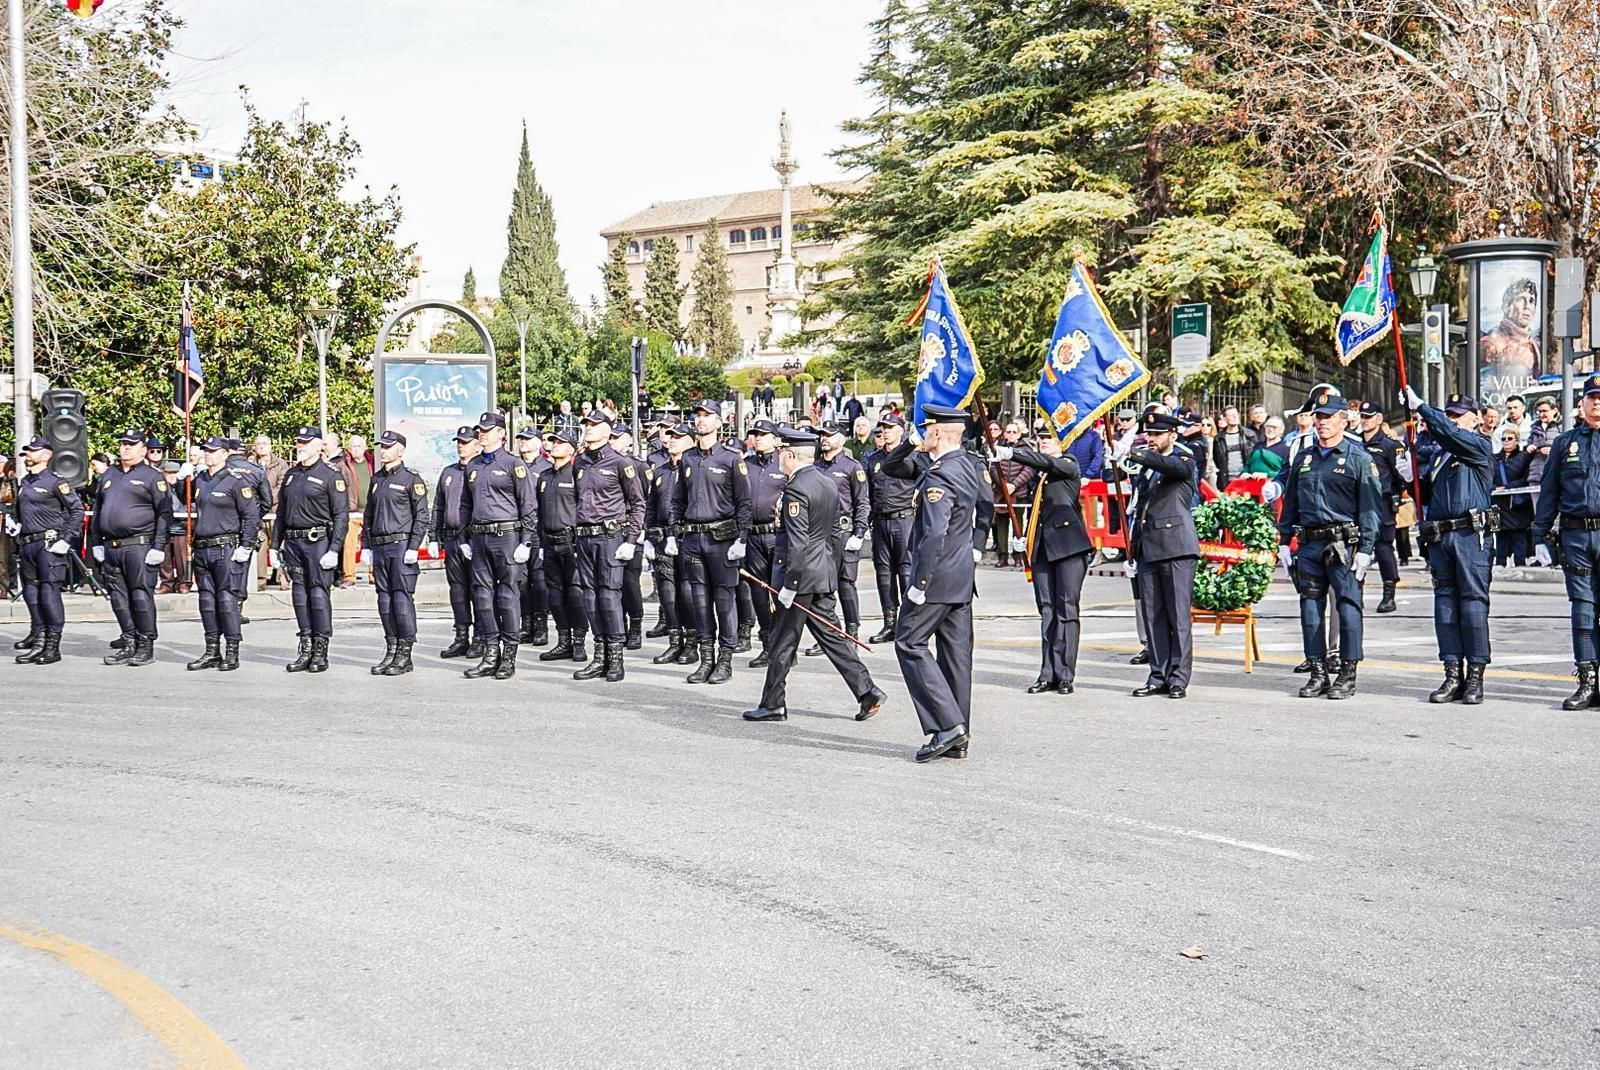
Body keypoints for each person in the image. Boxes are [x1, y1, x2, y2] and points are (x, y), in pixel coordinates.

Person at [742, 426, 887, 724]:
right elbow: (833, 534)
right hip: (820, 572)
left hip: (800, 576)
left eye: (783, 452)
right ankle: (867, 690)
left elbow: (797, 541)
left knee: (782, 641)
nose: (780, 457)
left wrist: (790, 584)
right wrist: (828, 571)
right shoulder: (825, 483)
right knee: (832, 636)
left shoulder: (796, 487)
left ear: (791, 455)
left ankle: (772, 704)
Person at [1277, 390, 1382, 700]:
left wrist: (1366, 549)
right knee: (1310, 608)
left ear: (1342, 420)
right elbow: (1291, 502)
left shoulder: (1358, 458)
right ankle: (1318, 671)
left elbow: (1370, 508)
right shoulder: (1304, 457)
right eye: (1317, 417)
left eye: (1326, 417)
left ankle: (1347, 673)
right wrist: (1284, 541)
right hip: (1309, 543)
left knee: (1348, 607)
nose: (1320, 423)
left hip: (1343, 544)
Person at [894, 405, 985, 762]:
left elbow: (933, 534)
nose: (924, 432)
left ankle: (948, 726)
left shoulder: (940, 475)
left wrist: (920, 582)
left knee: (909, 643)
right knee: (956, 656)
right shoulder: (966, 465)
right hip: (960, 575)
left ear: (937, 434)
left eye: (928, 428)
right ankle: (958, 734)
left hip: (938, 576)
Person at [1401, 387, 1495, 704]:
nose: (1452, 421)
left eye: (1458, 417)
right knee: (1445, 608)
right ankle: (1452, 673)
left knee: (1472, 606)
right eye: (1449, 415)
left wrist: (1425, 410)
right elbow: (1428, 496)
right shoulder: (1441, 456)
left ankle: (1475, 677)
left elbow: (1451, 434)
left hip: (1471, 535)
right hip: (1441, 536)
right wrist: (1408, 477)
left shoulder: (1478, 445)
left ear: (1475, 419)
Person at [991, 430, 1092, 693]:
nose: (1043, 441)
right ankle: (1047, 672)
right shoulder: (1041, 475)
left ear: (1062, 443)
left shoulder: (1068, 464)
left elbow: (1048, 462)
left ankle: (1066, 673)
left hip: (1069, 548)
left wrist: (1013, 453)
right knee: (1047, 611)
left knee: (1066, 610)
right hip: (1043, 549)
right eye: (1041, 438)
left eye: (1049, 438)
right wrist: (1026, 538)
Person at [669, 399, 752, 685]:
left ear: (719, 422)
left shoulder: (731, 459)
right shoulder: (688, 458)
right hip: (693, 538)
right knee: (700, 602)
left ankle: (725, 660)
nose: (700, 420)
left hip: (722, 539)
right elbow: (678, 499)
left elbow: (744, 502)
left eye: (707, 416)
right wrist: (673, 533)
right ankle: (706, 659)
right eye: (698, 415)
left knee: (725, 601)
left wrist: (742, 538)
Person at [1532, 373, 1600, 709]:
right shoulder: (1564, 443)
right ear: (1582, 403)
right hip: (1575, 536)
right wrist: (1539, 535)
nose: (1597, 403)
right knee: (1583, 611)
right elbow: (1549, 492)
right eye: (1592, 397)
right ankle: (1587, 681)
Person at [460, 411, 540, 681]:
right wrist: (464, 539)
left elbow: (528, 504)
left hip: (506, 536)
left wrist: (526, 541)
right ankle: (490, 652)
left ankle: (509, 656)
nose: (481, 433)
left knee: (507, 596)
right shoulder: (473, 466)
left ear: (501, 434)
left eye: (487, 429)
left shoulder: (513, 464)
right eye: (480, 429)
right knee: (482, 597)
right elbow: (465, 505)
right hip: (479, 537)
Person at [1125, 411, 1199, 699]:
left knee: (1178, 616)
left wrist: (1136, 454)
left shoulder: (1184, 458)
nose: (1151, 439)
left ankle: (1178, 677)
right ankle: (1158, 674)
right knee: (1153, 615)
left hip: (1176, 547)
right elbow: (1140, 509)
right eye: (1149, 435)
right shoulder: (1147, 467)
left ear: (1172, 435)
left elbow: (1174, 469)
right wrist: (1133, 548)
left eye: (1157, 435)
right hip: (1149, 547)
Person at [569, 411, 645, 683]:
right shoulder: (579, 462)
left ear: (607, 431)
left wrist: (631, 540)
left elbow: (637, 503)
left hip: (610, 537)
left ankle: (616, 658)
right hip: (585, 537)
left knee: (609, 597)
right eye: (586, 424)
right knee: (589, 596)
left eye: (593, 425)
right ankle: (598, 656)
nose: (588, 429)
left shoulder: (620, 462)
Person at [91, 428, 174, 667]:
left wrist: (158, 546)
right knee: (118, 597)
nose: (126, 447)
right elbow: (98, 511)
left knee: (140, 595)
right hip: (111, 546)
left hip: (139, 544)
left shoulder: (151, 476)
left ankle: (145, 643)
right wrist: (96, 542)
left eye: (132, 444)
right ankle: (128, 640)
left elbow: (164, 513)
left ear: (144, 449)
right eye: (123, 443)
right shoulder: (110, 474)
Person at [273, 425, 348, 673]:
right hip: (294, 543)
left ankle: (320, 649)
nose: (301, 446)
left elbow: (341, 515)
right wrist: (275, 545)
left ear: (319, 445)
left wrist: (334, 549)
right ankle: (305, 646)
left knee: (317, 594)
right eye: (298, 442)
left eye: (306, 442)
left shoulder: (330, 475)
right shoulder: (292, 474)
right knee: (299, 595)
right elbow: (282, 513)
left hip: (318, 543)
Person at [183, 436, 259, 672]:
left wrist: (245, 546)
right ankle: (212, 650)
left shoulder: (236, 481)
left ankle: (232, 651)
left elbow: (251, 516)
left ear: (225, 454)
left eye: (214, 451)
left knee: (227, 601)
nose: (208, 454)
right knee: (206, 601)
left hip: (225, 547)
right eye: (206, 450)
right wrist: (180, 481)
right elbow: (181, 501)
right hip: (203, 547)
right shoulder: (201, 479)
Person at [357, 430, 429, 676]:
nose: (383, 451)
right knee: (384, 600)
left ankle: (405, 654)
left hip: (400, 546)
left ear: (400, 450)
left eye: (388, 447)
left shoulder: (411, 480)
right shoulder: (377, 479)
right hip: (380, 545)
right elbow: (369, 516)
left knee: (401, 599)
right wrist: (365, 545)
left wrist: (413, 547)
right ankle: (391, 648)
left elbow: (422, 517)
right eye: (382, 447)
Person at [10, 437, 83, 665]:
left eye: (33, 451)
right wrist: (15, 521)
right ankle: (39, 639)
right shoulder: (26, 481)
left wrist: (66, 539)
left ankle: (53, 645)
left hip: (48, 544)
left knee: (49, 594)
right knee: (32, 594)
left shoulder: (55, 482)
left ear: (47, 455)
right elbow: (21, 509)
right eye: (27, 451)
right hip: (28, 543)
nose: (28, 455)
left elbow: (77, 511)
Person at [803, 421, 870, 655]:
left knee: (845, 584)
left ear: (841, 439)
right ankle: (829, 634)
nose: (824, 439)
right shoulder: (814, 466)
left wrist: (859, 533)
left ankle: (852, 634)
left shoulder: (852, 467)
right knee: (822, 586)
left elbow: (862, 502)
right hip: (819, 532)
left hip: (843, 532)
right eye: (822, 434)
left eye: (829, 435)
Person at [536, 428, 589, 666]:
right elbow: (538, 512)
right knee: (554, 594)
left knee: (575, 593)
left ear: (572, 448)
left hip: (572, 542)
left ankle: (579, 642)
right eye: (552, 441)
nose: (553, 445)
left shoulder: (578, 474)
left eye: (559, 442)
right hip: (549, 541)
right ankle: (564, 639)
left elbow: (585, 509)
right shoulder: (545, 477)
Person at [644, 423, 696, 667]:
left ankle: (692, 643)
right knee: (668, 594)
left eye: (678, 437)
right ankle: (675, 641)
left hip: (687, 536)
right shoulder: (661, 470)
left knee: (687, 594)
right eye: (670, 436)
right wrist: (648, 536)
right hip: (663, 536)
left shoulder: (695, 467)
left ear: (691, 441)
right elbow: (651, 506)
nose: (672, 440)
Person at [864, 412, 917, 644]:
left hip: (904, 519)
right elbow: (868, 493)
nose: (884, 432)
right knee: (883, 574)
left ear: (900, 431)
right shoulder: (874, 459)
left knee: (906, 571)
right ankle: (889, 623)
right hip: (880, 521)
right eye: (882, 428)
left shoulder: (912, 457)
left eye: (889, 428)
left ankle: (909, 623)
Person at [433, 426, 483, 660]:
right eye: (459, 442)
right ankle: (461, 636)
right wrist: (434, 537)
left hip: (475, 538)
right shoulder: (449, 472)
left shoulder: (481, 469)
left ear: (476, 444)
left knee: (479, 590)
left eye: (466, 442)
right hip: (452, 539)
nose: (461, 445)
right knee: (458, 591)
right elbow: (439, 507)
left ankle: (481, 637)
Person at [740, 419, 786, 667]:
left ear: (776, 439)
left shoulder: (784, 462)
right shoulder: (745, 465)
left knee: (780, 591)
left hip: (777, 535)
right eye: (755, 434)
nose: (758, 438)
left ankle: (784, 646)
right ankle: (768, 644)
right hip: (752, 535)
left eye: (763, 434)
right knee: (758, 590)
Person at [1357, 401, 1406, 613]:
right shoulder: (1354, 443)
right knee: (1356, 545)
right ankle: (1355, 591)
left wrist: (1395, 495)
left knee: (1383, 547)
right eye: (1362, 416)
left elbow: (1403, 475)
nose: (1364, 420)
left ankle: (1389, 594)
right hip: (1358, 501)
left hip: (1382, 501)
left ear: (1379, 419)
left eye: (1369, 417)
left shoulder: (1391, 446)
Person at [608, 425, 648, 650]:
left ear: (628, 441)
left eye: (617, 437)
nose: (612, 441)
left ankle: (635, 625)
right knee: (614, 583)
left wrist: (641, 529)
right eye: (610, 437)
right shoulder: (604, 463)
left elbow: (646, 500)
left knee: (630, 582)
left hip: (631, 529)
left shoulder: (639, 465)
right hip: (611, 530)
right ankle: (619, 626)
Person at [513, 425, 552, 646]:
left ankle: (541, 625)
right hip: (517, 529)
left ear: (538, 442)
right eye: (521, 439)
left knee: (539, 580)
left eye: (528, 439)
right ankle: (525, 624)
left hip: (537, 530)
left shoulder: (546, 468)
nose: (523, 443)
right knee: (521, 581)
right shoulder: (514, 465)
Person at [990, 421, 1035, 568]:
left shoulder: (1025, 449)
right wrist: (1003, 485)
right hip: (1001, 492)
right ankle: (1002, 556)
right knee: (1001, 524)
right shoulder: (998, 447)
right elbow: (993, 467)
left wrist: (1014, 485)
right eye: (1008, 432)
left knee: (1018, 525)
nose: (1010, 435)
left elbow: (1028, 469)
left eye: (1013, 432)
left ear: (1019, 433)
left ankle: (1018, 556)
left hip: (1019, 492)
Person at [251, 435, 290, 590]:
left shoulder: (281, 464)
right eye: (258, 444)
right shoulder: (251, 465)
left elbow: (282, 487)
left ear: (271, 446)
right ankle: (260, 580)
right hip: (258, 512)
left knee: (279, 544)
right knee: (259, 546)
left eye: (264, 443)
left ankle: (282, 578)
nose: (261, 446)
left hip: (276, 511)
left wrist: (266, 499)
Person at [1493, 426, 1535, 565]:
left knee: (1519, 533)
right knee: (1500, 533)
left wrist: (1507, 487)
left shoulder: (1523, 457)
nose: (1506, 441)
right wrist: (1494, 488)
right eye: (1503, 438)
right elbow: (1488, 478)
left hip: (1517, 502)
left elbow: (1526, 478)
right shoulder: (1495, 459)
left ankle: (1520, 563)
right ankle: (1500, 562)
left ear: (1516, 441)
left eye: (1509, 438)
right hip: (1498, 502)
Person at [335, 433, 373, 588]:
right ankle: (349, 576)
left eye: (359, 446)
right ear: (349, 449)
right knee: (349, 544)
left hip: (371, 509)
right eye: (353, 446)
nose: (356, 449)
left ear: (365, 448)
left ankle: (374, 574)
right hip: (351, 510)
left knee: (373, 543)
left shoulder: (373, 463)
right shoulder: (342, 465)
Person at [1210, 405, 1256, 486]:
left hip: (1246, 478)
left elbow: (1255, 457)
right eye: (1231, 415)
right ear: (1224, 418)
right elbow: (1217, 460)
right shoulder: (1218, 439)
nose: (1235, 417)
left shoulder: (1249, 435)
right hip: (1227, 480)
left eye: (1236, 414)